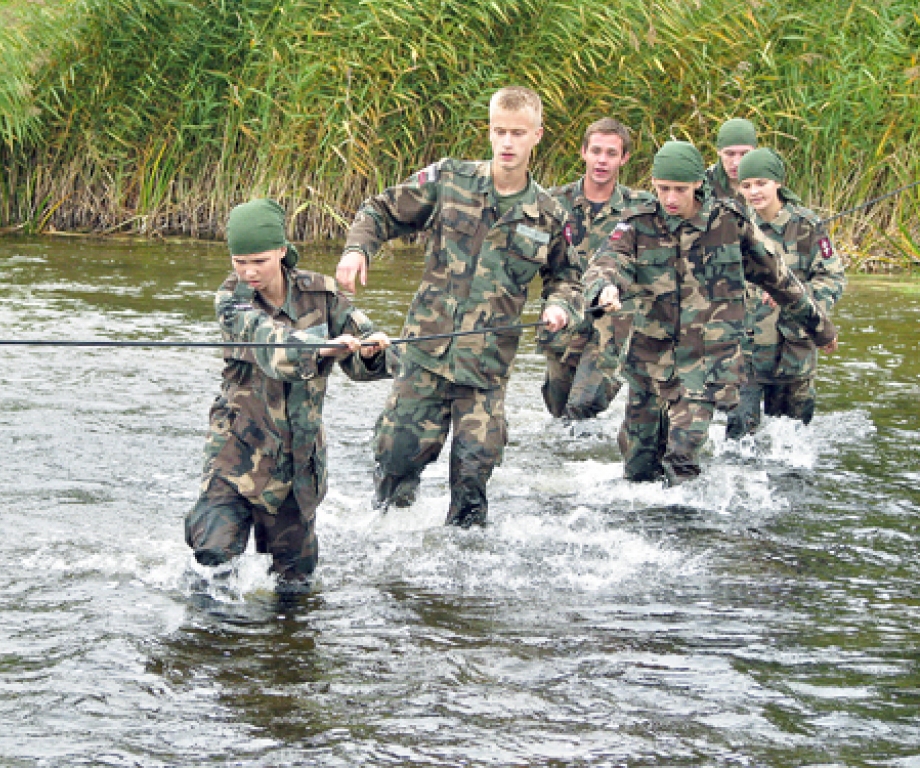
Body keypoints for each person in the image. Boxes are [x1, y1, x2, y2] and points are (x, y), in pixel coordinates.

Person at [335, 86, 581, 527]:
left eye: (518, 133)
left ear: (537, 136)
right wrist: (358, 251)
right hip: (425, 354)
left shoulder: (548, 214)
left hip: (486, 369)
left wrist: (560, 308)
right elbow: (381, 210)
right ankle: (387, 539)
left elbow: (567, 279)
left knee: (472, 480)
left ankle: (463, 565)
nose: (507, 142)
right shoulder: (450, 180)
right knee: (395, 461)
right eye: (499, 131)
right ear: (489, 132)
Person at [584, 141, 838, 485]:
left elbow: (780, 280)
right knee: (639, 467)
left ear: (697, 184)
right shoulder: (637, 223)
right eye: (663, 188)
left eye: (680, 189)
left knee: (682, 457)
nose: (670, 198)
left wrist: (820, 329)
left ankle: (689, 517)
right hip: (650, 361)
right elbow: (608, 260)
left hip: (705, 362)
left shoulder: (729, 223)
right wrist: (606, 289)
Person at [185, 199, 394, 590]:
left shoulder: (322, 294)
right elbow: (272, 346)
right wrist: (322, 348)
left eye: (259, 261)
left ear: (282, 251)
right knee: (212, 558)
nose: (248, 271)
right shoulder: (232, 301)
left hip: (297, 460)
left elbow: (366, 351)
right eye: (239, 261)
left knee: (295, 582)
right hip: (236, 453)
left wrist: (372, 351)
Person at [726, 148, 846, 438]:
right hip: (747, 352)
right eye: (746, 185)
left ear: (778, 182)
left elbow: (833, 278)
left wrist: (795, 293)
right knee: (738, 436)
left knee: (792, 439)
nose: (754, 191)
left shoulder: (807, 226)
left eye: (761, 183)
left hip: (794, 351)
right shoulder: (734, 226)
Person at [540, 118, 651, 422]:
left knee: (583, 405)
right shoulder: (552, 203)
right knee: (559, 412)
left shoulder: (641, 208)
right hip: (565, 318)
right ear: (583, 152)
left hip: (613, 322)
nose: (602, 160)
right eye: (596, 151)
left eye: (611, 153)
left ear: (624, 158)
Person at [705, 118, 757, 202]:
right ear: (718, 151)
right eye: (730, 154)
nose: (737, 162)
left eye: (744, 154)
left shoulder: (769, 179)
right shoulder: (704, 184)